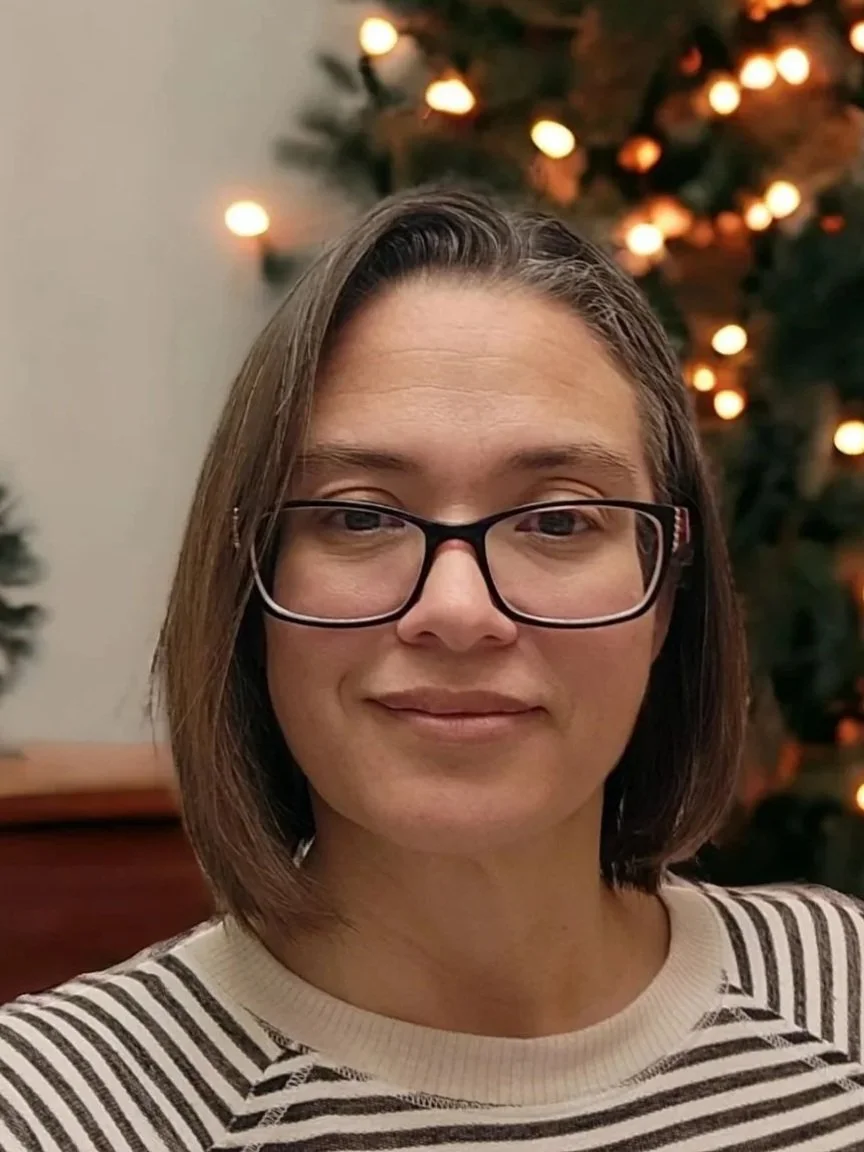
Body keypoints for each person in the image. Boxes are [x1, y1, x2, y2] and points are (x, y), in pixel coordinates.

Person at [2, 186, 863, 1152]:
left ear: (668, 593)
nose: (458, 613)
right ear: (249, 586)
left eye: (560, 518)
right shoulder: (56, 1113)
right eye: (359, 515)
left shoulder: (844, 997)